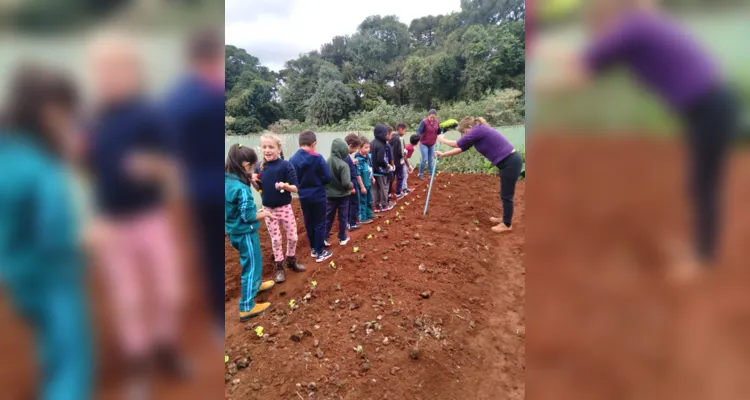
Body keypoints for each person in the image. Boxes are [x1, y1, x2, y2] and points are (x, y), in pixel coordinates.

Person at [534, 0, 739, 279]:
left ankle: (702, 259)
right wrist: (542, 53)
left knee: (703, 185)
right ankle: (699, 251)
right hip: (711, 106)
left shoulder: (632, 30)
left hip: (711, 108)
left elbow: (582, 69)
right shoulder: (641, 27)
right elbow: (588, 63)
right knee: (700, 183)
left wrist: (541, 85)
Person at [86, 34, 189, 394]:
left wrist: (153, 166)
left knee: (165, 287)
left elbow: (174, 168)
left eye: (116, 67)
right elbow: (84, 171)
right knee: (126, 296)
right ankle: (138, 363)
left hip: (151, 217)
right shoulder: (93, 118)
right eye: (102, 68)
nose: (108, 75)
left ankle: (166, 348)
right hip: (111, 222)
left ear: (133, 70)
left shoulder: (150, 115)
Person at [0, 65, 93, 400]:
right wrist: (89, 237)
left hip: (15, 270)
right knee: (71, 358)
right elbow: (55, 233)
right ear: (49, 110)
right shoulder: (39, 166)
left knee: (47, 338)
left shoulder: (7, 148)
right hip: (51, 273)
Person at [163, 27, 226, 341]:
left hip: (194, 189)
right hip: (210, 189)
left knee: (207, 251)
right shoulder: (206, 95)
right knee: (213, 252)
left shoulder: (177, 96)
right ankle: (217, 316)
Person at [437, 117, 522, 234]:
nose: (463, 135)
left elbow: (457, 144)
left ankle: (507, 224)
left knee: (507, 195)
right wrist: (443, 155)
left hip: (510, 162)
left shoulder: (479, 130)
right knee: (504, 194)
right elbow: (461, 148)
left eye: (464, 132)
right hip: (507, 163)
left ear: (470, 128)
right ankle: (505, 218)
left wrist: (442, 139)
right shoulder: (477, 133)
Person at [225, 144, 275, 321]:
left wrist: (249, 177)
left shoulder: (227, 179)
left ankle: (257, 284)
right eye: (252, 167)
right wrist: (265, 213)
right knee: (251, 265)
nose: (253, 170)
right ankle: (247, 306)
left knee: (255, 258)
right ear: (245, 165)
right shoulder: (242, 189)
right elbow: (248, 216)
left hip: (234, 231)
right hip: (245, 232)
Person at [251, 133, 305, 283]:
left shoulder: (286, 165)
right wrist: (253, 181)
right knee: (276, 239)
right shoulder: (259, 167)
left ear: (278, 148)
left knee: (293, 236)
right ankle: (279, 266)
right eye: (264, 147)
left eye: (271, 147)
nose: (267, 150)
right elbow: (259, 189)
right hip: (268, 211)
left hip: (285, 208)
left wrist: (284, 185)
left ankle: (291, 260)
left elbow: (295, 188)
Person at [289, 131, 334, 262]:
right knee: (319, 222)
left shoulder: (292, 159)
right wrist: (319, 182)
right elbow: (327, 177)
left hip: (303, 196)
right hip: (318, 195)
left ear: (299, 143)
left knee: (309, 222)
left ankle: (314, 249)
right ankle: (320, 252)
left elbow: (292, 179)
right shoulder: (317, 157)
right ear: (313, 144)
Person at [323, 138, 355, 246]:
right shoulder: (343, 165)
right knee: (342, 217)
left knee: (328, 216)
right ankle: (342, 237)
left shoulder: (326, 162)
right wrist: (352, 185)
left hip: (329, 196)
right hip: (342, 196)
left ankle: (324, 237)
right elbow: (346, 183)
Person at [369, 124, 391, 213]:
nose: (387, 135)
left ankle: (377, 206)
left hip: (373, 171)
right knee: (384, 188)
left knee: (374, 189)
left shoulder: (372, 143)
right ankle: (385, 205)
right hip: (381, 171)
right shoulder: (381, 145)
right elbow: (380, 160)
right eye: (386, 133)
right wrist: (388, 166)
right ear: (381, 134)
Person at [416, 109, 441, 180]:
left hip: (432, 144)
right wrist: (417, 139)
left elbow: (439, 131)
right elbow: (419, 131)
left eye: (434, 117)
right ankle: (420, 174)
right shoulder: (424, 122)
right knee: (424, 159)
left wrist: (443, 130)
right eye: (431, 117)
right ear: (428, 116)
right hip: (423, 143)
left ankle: (431, 174)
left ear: (436, 117)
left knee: (431, 160)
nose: (432, 119)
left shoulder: (437, 122)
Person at [344, 133, 362, 231]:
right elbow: (347, 173)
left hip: (350, 185)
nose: (355, 151)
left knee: (349, 204)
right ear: (350, 146)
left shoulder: (345, 157)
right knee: (354, 203)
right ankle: (352, 223)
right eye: (355, 149)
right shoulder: (346, 157)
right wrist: (352, 187)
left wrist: (352, 162)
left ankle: (348, 222)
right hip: (352, 184)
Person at [355, 137, 375, 225]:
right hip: (362, 184)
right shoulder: (358, 160)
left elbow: (370, 169)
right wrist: (362, 186)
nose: (368, 149)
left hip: (368, 182)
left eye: (369, 147)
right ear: (359, 147)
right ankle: (362, 218)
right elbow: (358, 174)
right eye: (365, 147)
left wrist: (372, 177)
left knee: (369, 199)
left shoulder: (368, 157)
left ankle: (369, 214)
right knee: (363, 201)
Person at [390, 123, 407, 199]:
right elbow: (401, 153)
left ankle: (389, 194)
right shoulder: (400, 139)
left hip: (391, 162)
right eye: (404, 130)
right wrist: (405, 153)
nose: (405, 132)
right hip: (398, 162)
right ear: (400, 129)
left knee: (391, 178)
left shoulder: (390, 137)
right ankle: (398, 193)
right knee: (400, 177)